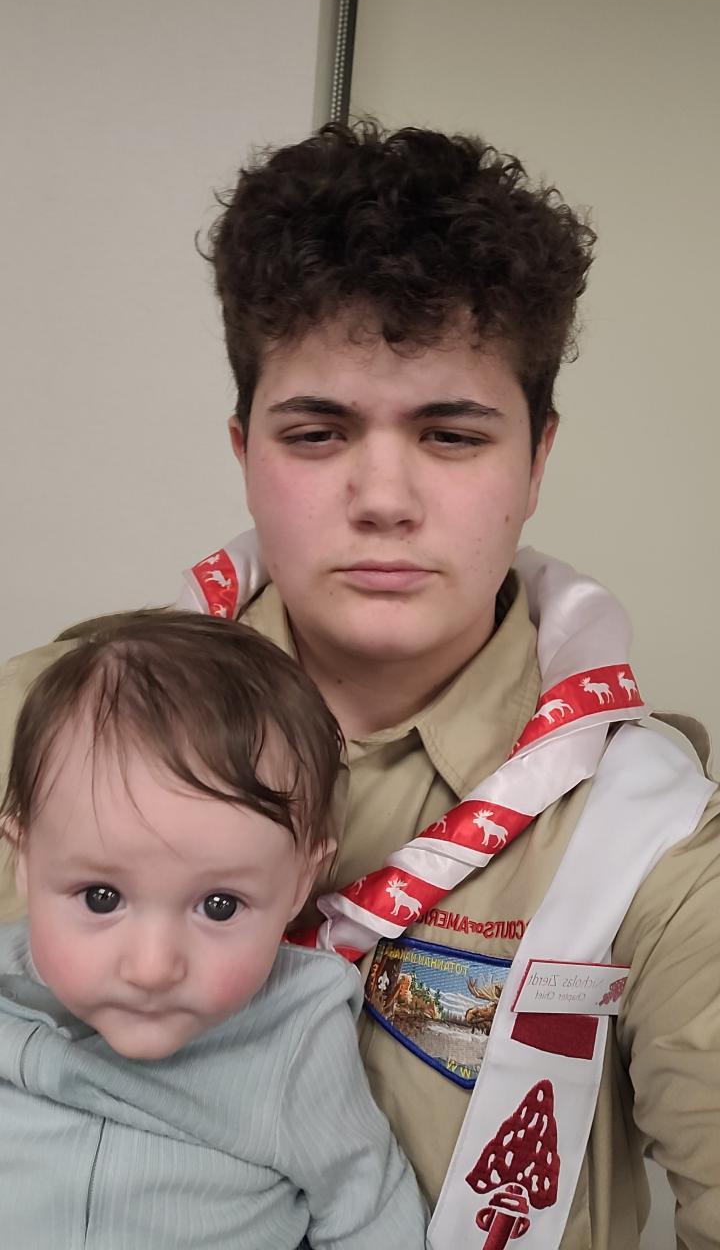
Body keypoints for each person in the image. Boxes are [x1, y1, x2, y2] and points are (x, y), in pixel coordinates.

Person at [0, 121, 718, 1248]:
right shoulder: (28, 723)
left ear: (537, 461)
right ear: (244, 450)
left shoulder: (658, 842)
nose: (383, 498)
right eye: (318, 432)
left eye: (451, 435)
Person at [0, 609, 427, 1249]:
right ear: (25, 860)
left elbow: (368, 1209)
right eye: (101, 897)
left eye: (220, 906)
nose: (152, 967)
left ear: (299, 884)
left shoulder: (294, 1034)